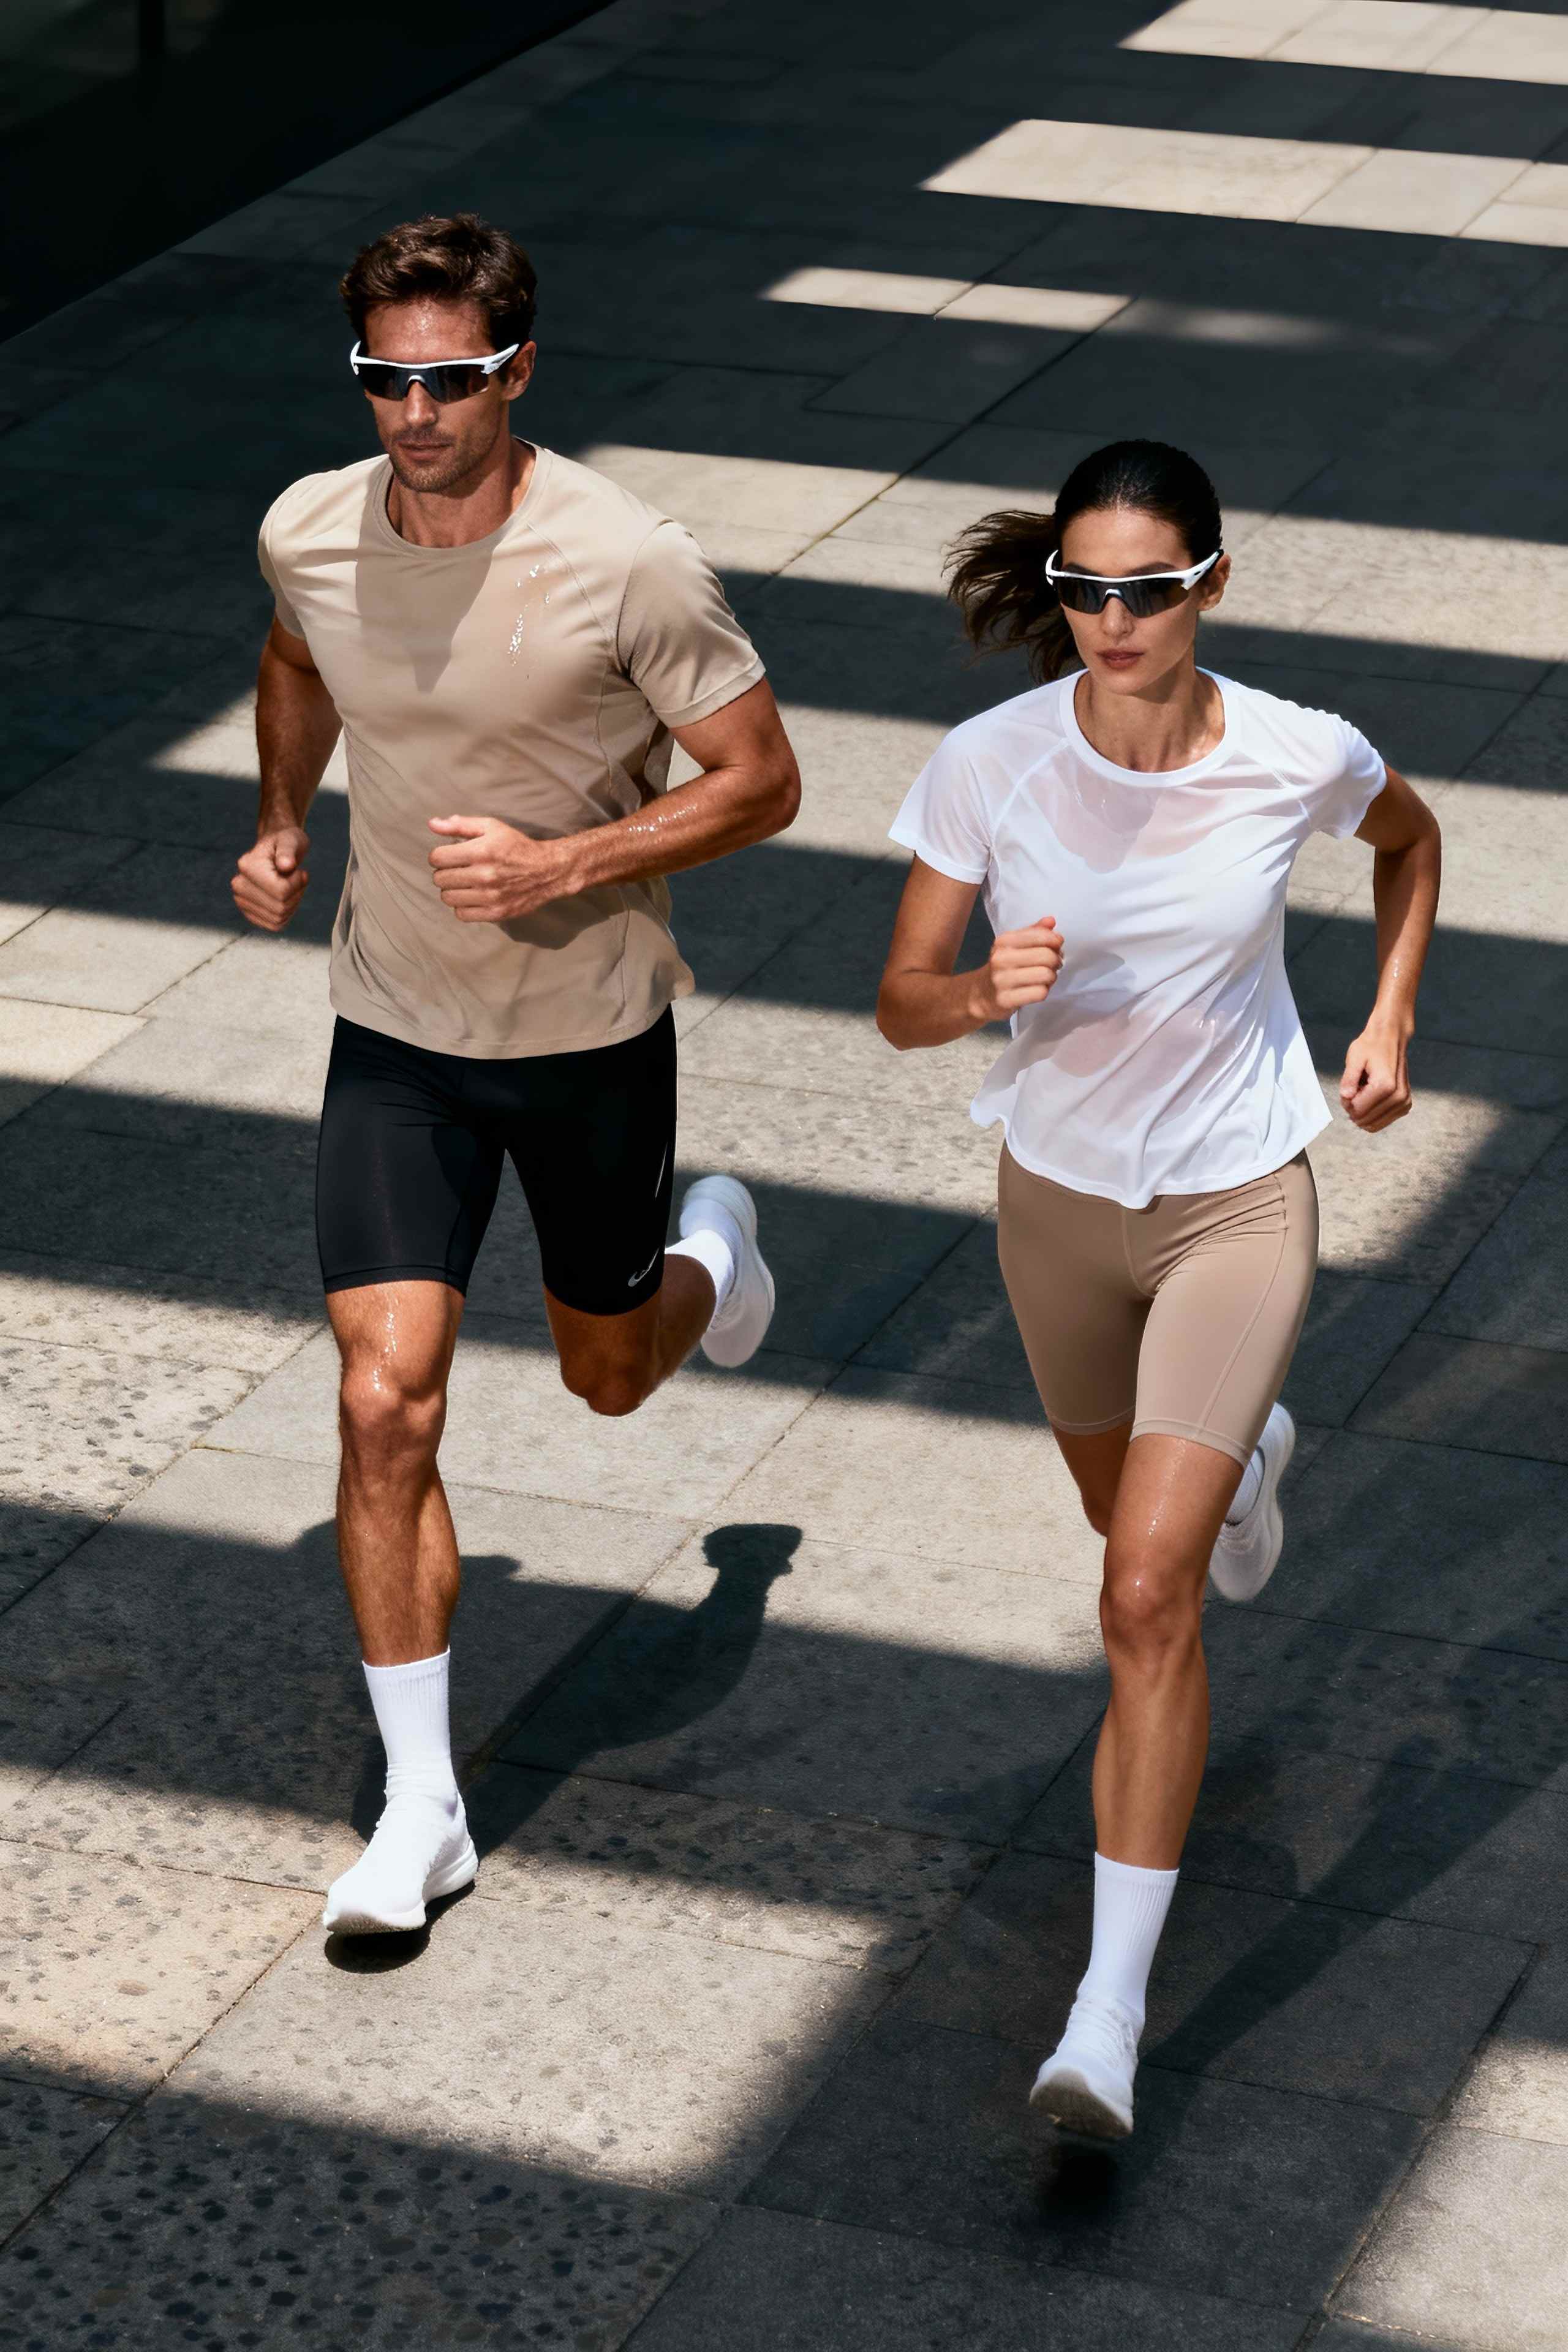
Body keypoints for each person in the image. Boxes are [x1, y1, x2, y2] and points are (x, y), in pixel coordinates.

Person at [230, 213, 799, 1938]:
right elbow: (295, 659)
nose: (417, 413)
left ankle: (713, 1259)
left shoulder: (629, 562)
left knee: (607, 1377)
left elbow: (763, 779)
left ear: (518, 371)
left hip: (588, 1037)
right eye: (386, 378)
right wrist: (280, 819)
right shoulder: (310, 529)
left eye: (453, 380)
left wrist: (567, 862)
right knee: (382, 1399)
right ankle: (423, 1810)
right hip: (396, 1026)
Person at [876, 440, 1439, 2139]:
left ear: (1211, 582)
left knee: (1141, 1595)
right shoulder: (990, 764)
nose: (1114, 620)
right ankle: (1245, 1464)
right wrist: (981, 991)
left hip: (1235, 1204)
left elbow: (1411, 841)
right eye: (1084, 588)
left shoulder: (1293, 751)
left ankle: (1105, 2020)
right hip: (1054, 1210)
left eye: (1148, 588)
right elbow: (900, 1001)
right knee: (1129, 1521)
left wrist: (1389, 1016)